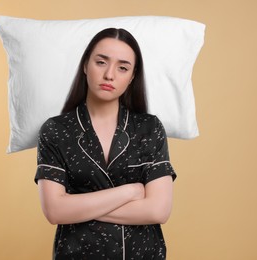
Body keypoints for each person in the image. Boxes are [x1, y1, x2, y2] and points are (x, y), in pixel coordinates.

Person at [35, 28, 177, 260]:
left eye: (122, 67)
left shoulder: (149, 128)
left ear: (132, 77)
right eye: (101, 62)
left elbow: (158, 210)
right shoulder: (56, 130)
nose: (109, 75)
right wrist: (131, 191)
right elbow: (54, 211)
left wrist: (78, 207)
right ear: (85, 65)